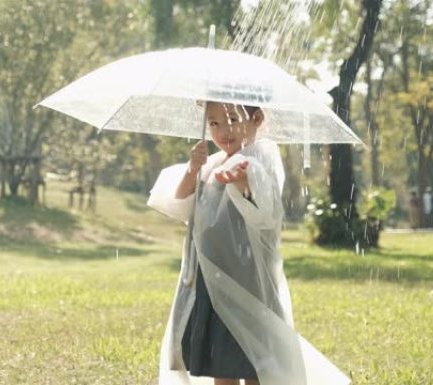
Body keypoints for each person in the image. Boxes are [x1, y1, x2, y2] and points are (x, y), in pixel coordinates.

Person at [148, 102, 346, 385]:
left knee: (254, 358)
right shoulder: (212, 162)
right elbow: (182, 204)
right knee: (221, 362)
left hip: (246, 277)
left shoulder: (260, 156)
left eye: (231, 119)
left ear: (257, 119)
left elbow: (264, 206)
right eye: (214, 123)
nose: (223, 130)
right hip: (211, 275)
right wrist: (193, 169)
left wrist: (244, 183)